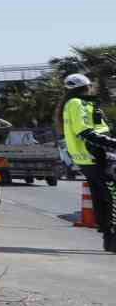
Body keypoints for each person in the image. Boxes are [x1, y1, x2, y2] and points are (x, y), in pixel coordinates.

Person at [63, 73, 116, 252]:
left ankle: (109, 238)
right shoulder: (77, 103)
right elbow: (85, 132)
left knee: (102, 197)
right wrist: (111, 143)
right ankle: (111, 237)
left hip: (87, 157)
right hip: (94, 155)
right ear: (87, 86)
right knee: (110, 195)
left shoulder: (72, 104)